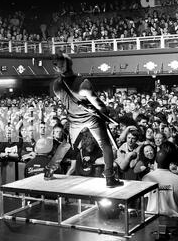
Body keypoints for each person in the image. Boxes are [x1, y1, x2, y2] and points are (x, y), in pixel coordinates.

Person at [44, 52, 123, 187]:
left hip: (74, 119)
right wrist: (105, 111)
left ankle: (49, 170)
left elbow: (66, 101)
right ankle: (109, 177)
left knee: (66, 144)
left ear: (56, 68)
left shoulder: (56, 85)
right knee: (105, 144)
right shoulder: (83, 83)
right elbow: (99, 105)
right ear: (71, 64)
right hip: (91, 118)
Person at [142, 148, 178, 216]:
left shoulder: (146, 178)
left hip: (152, 219)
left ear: (156, 161)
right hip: (175, 220)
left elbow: (145, 201)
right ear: (170, 162)